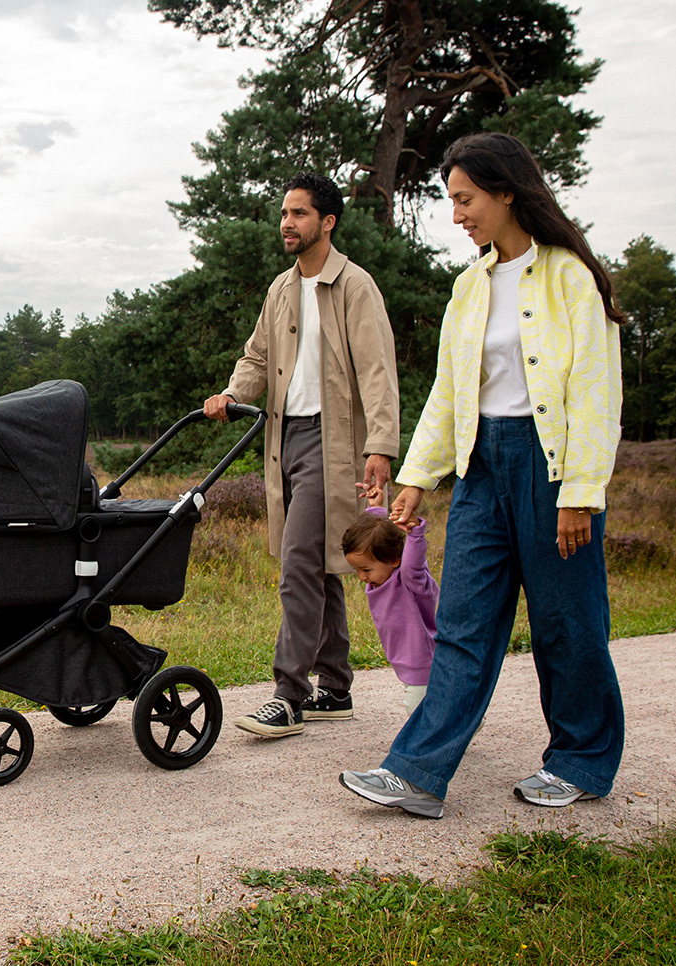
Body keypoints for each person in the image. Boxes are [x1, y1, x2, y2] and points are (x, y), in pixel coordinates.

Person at [339, 132, 624, 819]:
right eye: (452, 201)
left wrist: (581, 491)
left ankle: (581, 763)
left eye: (465, 199)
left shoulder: (569, 278)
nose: (458, 213)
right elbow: (448, 390)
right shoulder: (470, 286)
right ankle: (416, 774)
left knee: (566, 624)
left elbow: (593, 390)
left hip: (551, 469)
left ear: (506, 192)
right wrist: (418, 475)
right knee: (462, 624)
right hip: (479, 468)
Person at [204, 172, 400, 738]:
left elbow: (378, 373)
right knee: (318, 564)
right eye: (284, 213)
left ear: (327, 221)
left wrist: (381, 448)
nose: (287, 223)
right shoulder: (281, 289)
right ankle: (335, 686)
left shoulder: (355, 287)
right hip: (283, 439)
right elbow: (257, 359)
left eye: (299, 213)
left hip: (334, 442)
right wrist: (233, 394)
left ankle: (289, 694)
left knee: (297, 567)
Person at [342, 484, 437, 717]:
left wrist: (415, 533)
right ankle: (466, 722)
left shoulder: (409, 580)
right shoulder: (379, 575)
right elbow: (376, 534)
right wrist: (375, 509)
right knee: (434, 707)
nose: (362, 577)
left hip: (423, 660)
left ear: (395, 560)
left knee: (418, 713)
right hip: (406, 659)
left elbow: (413, 564)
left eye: (366, 569)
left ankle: (426, 747)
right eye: (356, 570)